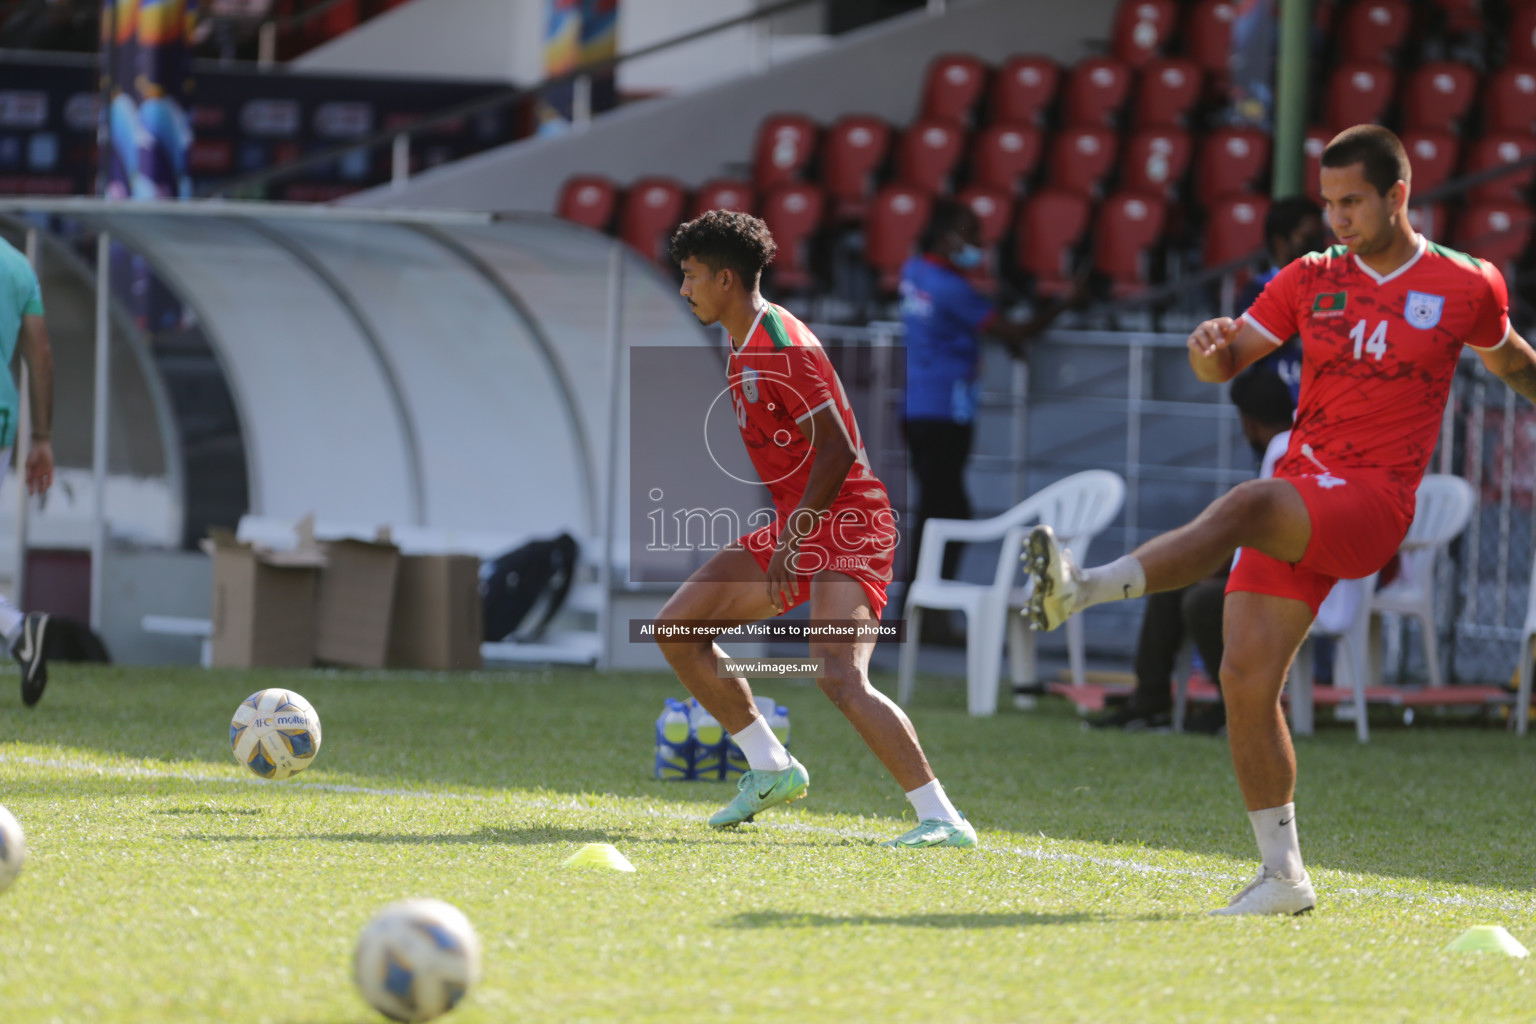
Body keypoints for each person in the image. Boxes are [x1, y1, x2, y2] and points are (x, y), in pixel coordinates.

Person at [1025, 125, 1536, 915]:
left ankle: (1083, 587)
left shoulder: (1468, 284)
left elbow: (1513, 364)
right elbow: (1226, 361)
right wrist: (1205, 348)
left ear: (1399, 194)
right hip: (1307, 486)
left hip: (1372, 501)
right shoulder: (1306, 278)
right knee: (1244, 678)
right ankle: (1283, 877)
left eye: (1353, 201)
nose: (1337, 218)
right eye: (1329, 202)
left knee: (1250, 503)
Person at [657, 210, 976, 849]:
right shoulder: (740, 334)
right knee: (678, 630)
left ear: (726, 278)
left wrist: (793, 537)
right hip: (798, 521)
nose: (684, 288)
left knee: (838, 674)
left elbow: (833, 452)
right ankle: (771, 768)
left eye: (691, 276)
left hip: (850, 523)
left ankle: (943, 819)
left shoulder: (782, 344)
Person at [899, 200, 1077, 635]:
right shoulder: (951, 288)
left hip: (920, 407)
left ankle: (920, 605)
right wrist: (1068, 302)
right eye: (971, 234)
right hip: (944, 412)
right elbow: (1016, 330)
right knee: (946, 510)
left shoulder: (915, 271)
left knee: (938, 507)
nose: (980, 244)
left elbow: (962, 325)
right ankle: (923, 609)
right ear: (947, 237)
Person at [1089, 366, 1297, 735]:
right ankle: (1149, 702)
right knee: (1173, 586)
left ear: (1248, 422)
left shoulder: (1287, 453)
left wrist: (1217, 567)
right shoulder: (1287, 446)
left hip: (1298, 578)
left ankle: (1237, 708)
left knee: (1202, 600)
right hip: (1282, 567)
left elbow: (1274, 533)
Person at [0, 236, 55, 706]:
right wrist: (41, 437)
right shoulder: (17, 265)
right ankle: (19, 632)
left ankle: (17, 630)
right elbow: (40, 354)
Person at [1239, 195, 1327, 405]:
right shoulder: (1257, 289)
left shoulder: (1335, 284)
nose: (1319, 245)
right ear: (1280, 243)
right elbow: (1254, 345)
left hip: (1324, 407)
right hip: (1279, 409)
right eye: (1307, 238)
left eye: (1320, 237)